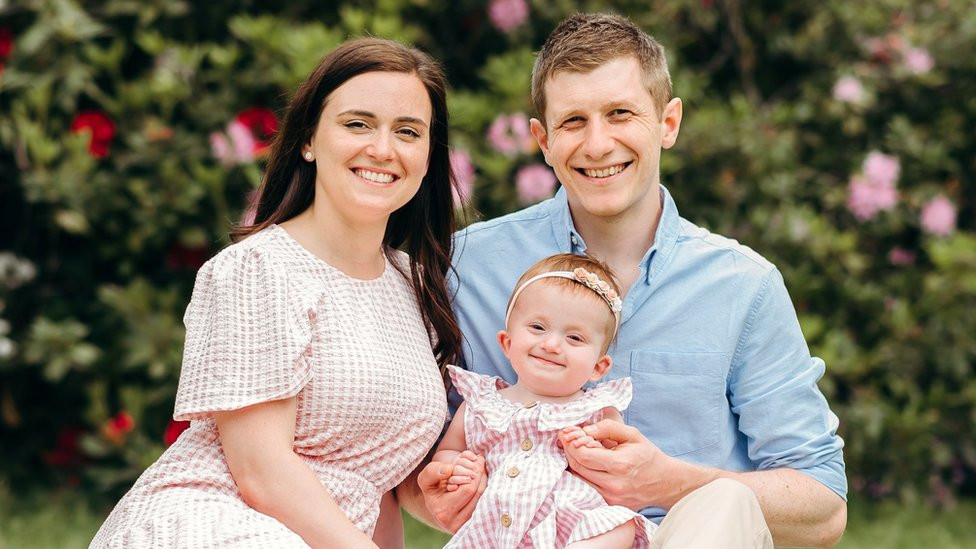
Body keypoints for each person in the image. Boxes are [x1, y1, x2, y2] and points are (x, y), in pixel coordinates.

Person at [404, 12, 848, 549]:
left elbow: (823, 507)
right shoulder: (468, 268)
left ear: (668, 122)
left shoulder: (743, 286)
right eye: (573, 122)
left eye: (620, 114)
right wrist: (434, 494)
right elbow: (414, 461)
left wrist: (669, 481)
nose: (597, 144)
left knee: (726, 502)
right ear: (542, 140)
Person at [90, 37, 462, 548]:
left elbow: (372, 486)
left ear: (427, 155)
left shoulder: (413, 283)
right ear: (308, 140)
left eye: (407, 131)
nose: (383, 148)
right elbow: (262, 474)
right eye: (357, 124)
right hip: (213, 524)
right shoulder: (256, 271)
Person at [434, 253, 656, 548]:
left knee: (621, 526)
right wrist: (456, 467)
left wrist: (591, 451)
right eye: (538, 327)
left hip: (569, 523)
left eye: (575, 338)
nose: (551, 345)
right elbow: (448, 451)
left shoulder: (597, 411)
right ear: (507, 344)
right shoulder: (481, 404)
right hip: (494, 525)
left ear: (597, 368)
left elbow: (619, 469)